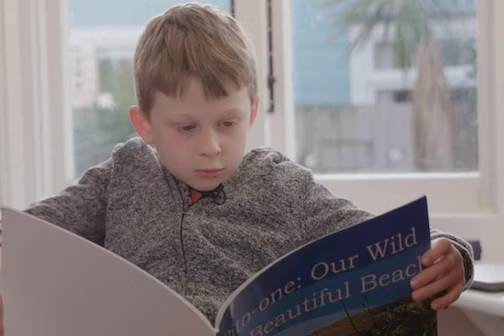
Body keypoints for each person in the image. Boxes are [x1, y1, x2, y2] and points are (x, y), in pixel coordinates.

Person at [0, 2, 473, 332]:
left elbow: (384, 245)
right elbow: (21, 236)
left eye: (227, 123)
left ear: (251, 113)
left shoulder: (281, 185)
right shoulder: (121, 175)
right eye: (186, 128)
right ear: (145, 124)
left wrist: (451, 253)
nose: (211, 147)